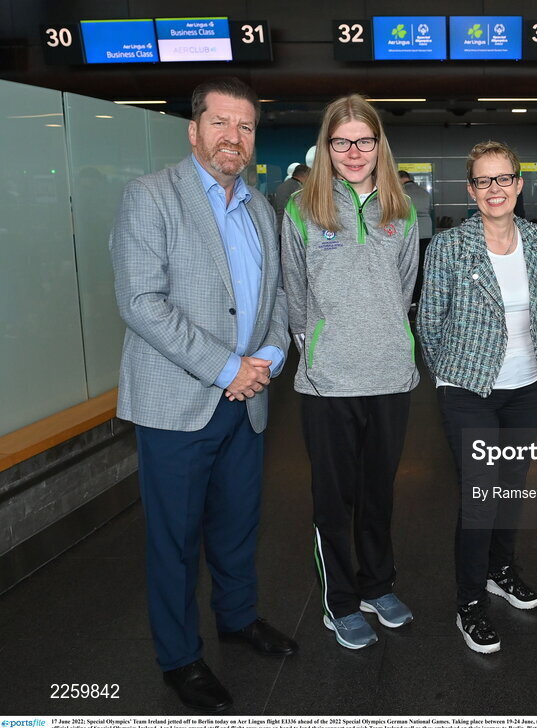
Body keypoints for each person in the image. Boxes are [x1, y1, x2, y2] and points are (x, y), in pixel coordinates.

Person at [109, 77, 295, 713]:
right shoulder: (151, 197)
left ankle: (238, 619)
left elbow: (274, 302)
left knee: (239, 526)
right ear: (194, 130)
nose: (233, 138)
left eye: (245, 127)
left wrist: (264, 361)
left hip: (249, 401)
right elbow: (140, 302)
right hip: (177, 403)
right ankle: (180, 658)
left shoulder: (261, 209)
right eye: (221, 123)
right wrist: (226, 368)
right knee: (175, 540)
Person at [280, 94, 419, 651]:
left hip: (389, 376)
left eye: (365, 141)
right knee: (333, 499)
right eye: (342, 142)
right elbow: (293, 293)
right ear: (326, 147)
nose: (354, 152)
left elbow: (404, 288)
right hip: (328, 381)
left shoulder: (401, 209)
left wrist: (390, 339)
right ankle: (339, 601)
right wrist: (315, 349)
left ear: (379, 145)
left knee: (378, 492)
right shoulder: (301, 210)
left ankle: (377, 585)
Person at [417, 141, 537, 654]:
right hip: (468, 389)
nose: (495, 190)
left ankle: (501, 570)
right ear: (471, 190)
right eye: (483, 181)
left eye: (504, 179)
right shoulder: (450, 247)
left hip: (527, 387)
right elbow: (430, 321)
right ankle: (469, 601)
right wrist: (450, 376)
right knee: (480, 493)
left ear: (519, 184)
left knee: (512, 487)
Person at [399, 169, 434, 304]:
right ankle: (422, 298)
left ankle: (412, 298)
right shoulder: (424, 192)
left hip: (412, 232)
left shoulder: (402, 193)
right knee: (423, 267)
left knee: (411, 267)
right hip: (427, 232)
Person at [272, 163, 309, 232]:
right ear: (304, 175)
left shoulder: (284, 185)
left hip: (281, 228)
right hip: (289, 229)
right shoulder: (297, 188)